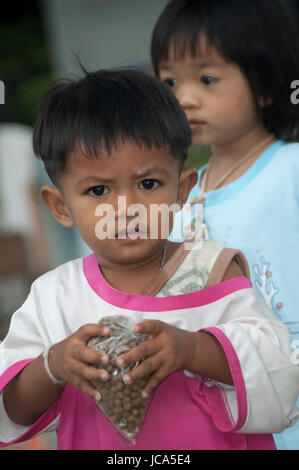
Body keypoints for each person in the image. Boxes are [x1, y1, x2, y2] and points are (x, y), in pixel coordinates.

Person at [0, 68, 298, 451]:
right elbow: (12, 408)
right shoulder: (54, 296)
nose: (125, 208)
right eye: (98, 189)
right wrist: (54, 366)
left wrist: (192, 350)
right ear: (60, 206)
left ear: (182, 190)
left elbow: (277, 368)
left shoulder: (212, 272)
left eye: (147, 184)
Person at [151, 0, 299, 450]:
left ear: (267, 84)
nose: (184, 97)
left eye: (207, 79)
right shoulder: (182, 197)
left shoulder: (290, 169)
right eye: (170, 81)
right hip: (230, 415)